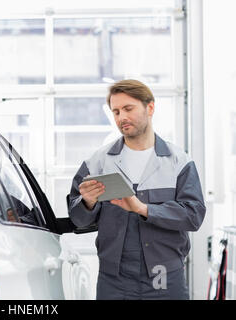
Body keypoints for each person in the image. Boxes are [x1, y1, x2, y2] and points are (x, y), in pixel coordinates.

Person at [68, 79, 206, 300]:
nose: (121, 117)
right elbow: (78, 219)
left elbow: (194, 215)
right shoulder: (98, 162)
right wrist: (88, 203)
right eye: (116, 112)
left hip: (164, 276)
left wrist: (144, 209)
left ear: (150, 107)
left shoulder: (178, 161)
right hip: (114, 278)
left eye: (128, 109)